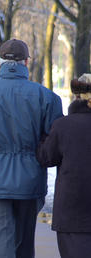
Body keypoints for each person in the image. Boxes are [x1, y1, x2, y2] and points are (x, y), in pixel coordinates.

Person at [0, 39, 63, 258]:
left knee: (3, 243)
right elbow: (55, 142)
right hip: (30, 180)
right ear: (26, 62)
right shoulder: (45, 96)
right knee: (25, 244)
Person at [37, 73, 91, 258]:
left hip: (72, 209)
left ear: (76, 96)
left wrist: (42, 139)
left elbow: (46, 158)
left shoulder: (63, 126)